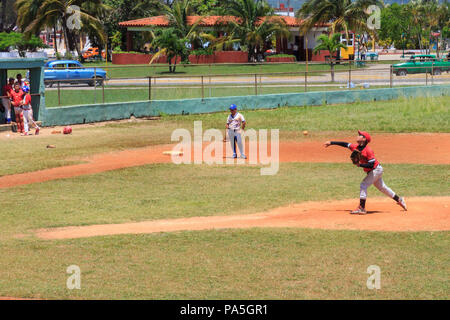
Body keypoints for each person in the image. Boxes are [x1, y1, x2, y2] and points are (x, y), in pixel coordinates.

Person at [324, 130, 407, 214]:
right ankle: (399, 199)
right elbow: (345, 144)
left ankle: (362, 208)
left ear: (364, 139)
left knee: (363, 184)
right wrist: (331, 142)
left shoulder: (368, 150)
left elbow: (371, 164)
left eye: (360, 135)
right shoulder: (355, 147)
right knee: (383, 188)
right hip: (374, 171)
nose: (357, 136)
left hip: (376, 170)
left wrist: (360, 165)